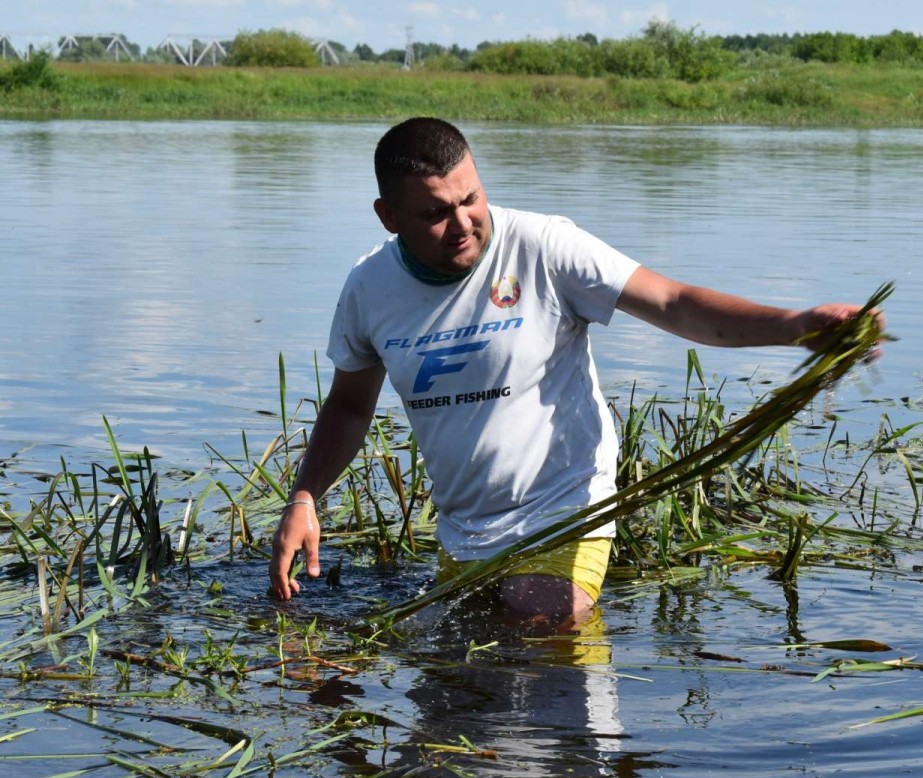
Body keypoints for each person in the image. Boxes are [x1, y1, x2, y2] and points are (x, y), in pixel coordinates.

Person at [269, 117, 883, 618]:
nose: (462, 224)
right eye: (435, 213)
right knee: (456, 694)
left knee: (541, 626)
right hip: (466, 529)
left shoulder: (543, 247)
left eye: (471, 198)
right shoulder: (368, 287)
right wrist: (304, 496)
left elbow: (674, 304)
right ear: (388, 217)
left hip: (567, 507)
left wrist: (795, 325)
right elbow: (350, 405)